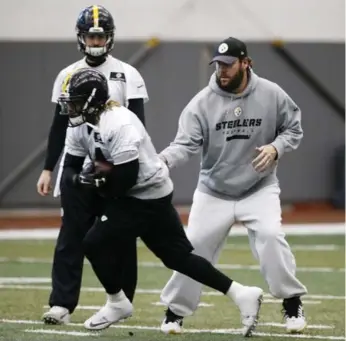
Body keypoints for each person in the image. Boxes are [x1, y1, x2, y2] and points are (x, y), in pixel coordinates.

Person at [59, 67, 264, 337]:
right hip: (139, 192)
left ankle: (117, 303)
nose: (70, 107)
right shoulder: (82, 126)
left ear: (91, 99)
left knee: (94, 243)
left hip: (145, 193)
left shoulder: (119, 122)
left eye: (74, 101)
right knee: (177, 257)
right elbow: (71, 168)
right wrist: (80, 181)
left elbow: (127, 178)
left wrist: (97, 181)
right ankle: (242, 293)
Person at [158, 37, 308, 335]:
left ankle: (292, 302)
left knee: (270, 236)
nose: (222, 71)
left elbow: (294, 128)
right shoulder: (201, 103)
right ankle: (175, 311)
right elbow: (184, 144)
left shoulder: (272, 94)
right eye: (218, 65)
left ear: (245, 63)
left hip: (259, 187)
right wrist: (162, 161)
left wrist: (276, 147)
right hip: (214, 190)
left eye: (228, 65)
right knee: (194, 246)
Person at [38, 5, 149, 325]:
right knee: (71, 234)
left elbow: (138, 126)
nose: (96, 42)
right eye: (91, 35)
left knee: (121, 233)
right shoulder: (66, 74)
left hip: (115, 165)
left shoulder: (128, 73)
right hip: (77, 162)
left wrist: (129, 169)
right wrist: (48, 168)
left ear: (110, 38)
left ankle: (122, 299)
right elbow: (59, 126)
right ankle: (61, 303)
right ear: (81, 37)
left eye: (101, 36)